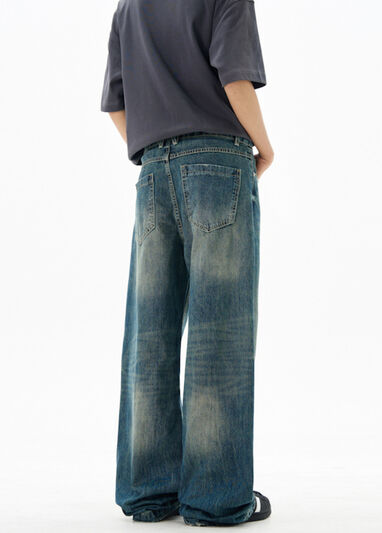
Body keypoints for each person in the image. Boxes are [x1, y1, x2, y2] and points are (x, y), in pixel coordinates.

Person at [100, 0, 274, 526]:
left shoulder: (128, 7)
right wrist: (264, 148)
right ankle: (215, 499)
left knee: (149, 335)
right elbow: (234, 79)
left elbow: (116, 105)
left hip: (152, 171)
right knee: (219, 334)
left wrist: (159, 150)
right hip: (218, 162)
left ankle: (150, 491)